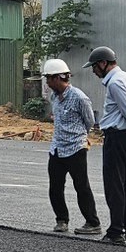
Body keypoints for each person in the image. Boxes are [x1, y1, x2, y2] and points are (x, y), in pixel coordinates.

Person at [86, 45, 126, 247]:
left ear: (103, 63)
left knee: (115, 185)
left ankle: (116, 232)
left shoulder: (115, 83)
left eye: (95, 67)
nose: (94, 71)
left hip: (117, 137)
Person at [41, 59, 101, 236]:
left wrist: (78, 136)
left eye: (49, 79)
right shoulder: (54, 97)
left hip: (76, 149)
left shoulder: (79, 98)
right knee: (55, 187)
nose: (47, 82)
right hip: (57, 149)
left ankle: (92, 222)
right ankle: (61, 220)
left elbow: (89, 121)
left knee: (81, 187)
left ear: (58, 78)